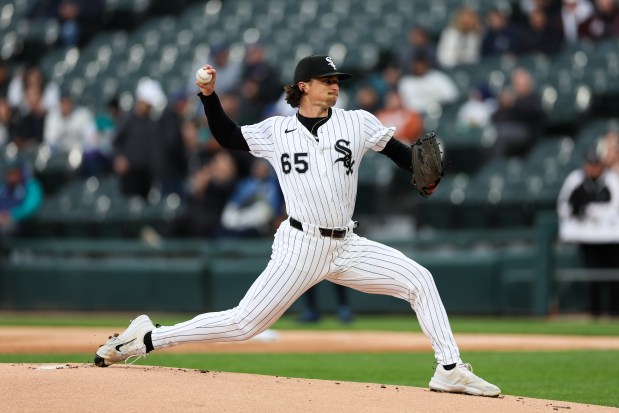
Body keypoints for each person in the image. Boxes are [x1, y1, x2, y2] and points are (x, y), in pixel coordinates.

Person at [94, 55, 501, 397]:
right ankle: (147, 338)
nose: (334, 86)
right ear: (303, 86)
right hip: (300, 246)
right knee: (242, 324)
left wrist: (421, 168)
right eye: (326, 80)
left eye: (336, 81)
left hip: (347, 245)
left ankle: (448, 369)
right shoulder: (277, 129)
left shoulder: (356, 122)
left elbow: (400, 153)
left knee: (419, 280)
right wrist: (208, 96)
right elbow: (229, 136)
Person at [557, 150, 619, 316]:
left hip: (611, 238)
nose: (592, 168)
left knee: (614, 277)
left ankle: (614, 314)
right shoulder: (576, 179)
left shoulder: (611, 179)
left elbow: (614, 206)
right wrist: (579, 210)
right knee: (593, 278)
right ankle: (595, 314)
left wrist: (593, 210)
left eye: (595, 165)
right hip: (586, 237)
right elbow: (564, 206)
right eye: (589, 164)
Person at [0, 161, 44, 237]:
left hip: (22, 223)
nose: (11, 176)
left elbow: (29, 208)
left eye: (13, 173)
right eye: (9, 173)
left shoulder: (31, 185)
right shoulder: (5, 187)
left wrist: (11, 215)